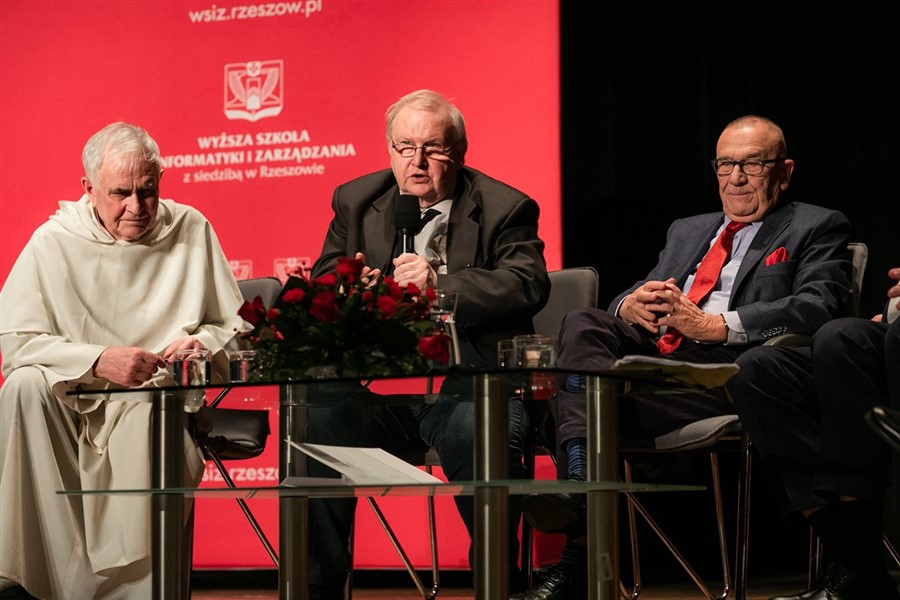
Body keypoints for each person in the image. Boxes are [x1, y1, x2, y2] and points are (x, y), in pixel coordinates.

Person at [516, 115, 854, 600]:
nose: (736, 178)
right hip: (657, 362)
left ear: (784, 171)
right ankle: (580, 482)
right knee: (585, 323)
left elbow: (820, 305)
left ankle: (576, 554)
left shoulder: (816, 225)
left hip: (734, 372)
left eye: (753, 164)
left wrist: (718, 326)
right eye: (725, 164)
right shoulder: (689, 229)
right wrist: (629, 305)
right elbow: (648, 286)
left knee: (578, 405)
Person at [303, 89, 550, 599]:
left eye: (432, 148)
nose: (416, 162)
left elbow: (527, 282)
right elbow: (325, 277)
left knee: (479, 428)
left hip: (470, 383)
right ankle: (319, 585)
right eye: (404, 147)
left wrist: (441, 284)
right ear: (390, 150)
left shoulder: (504, 206)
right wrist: (351, 285)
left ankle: (496, 582)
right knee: (318, 417)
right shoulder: (356, 199)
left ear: (458, 153)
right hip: (384, 387)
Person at [0, 122, 245, 599]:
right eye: (120, 193)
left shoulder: (190, 228)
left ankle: (133, 591)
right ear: (88, 188)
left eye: (147, 191)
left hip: (154, 394)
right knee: (23, 386)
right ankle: (34, 583)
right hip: (72, 399)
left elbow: (237, 331)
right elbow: (16, 342)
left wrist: (201, 345)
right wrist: (98, 361)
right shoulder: (54, 240)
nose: (137, 206)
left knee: (147, 406)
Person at [730, 267, 900, 600]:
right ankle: (858, 562)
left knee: (841, 336)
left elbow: (818, 302)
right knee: (755, 371)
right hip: (888, 331)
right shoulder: (684, 241)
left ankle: (857, 566)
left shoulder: (815, 233)